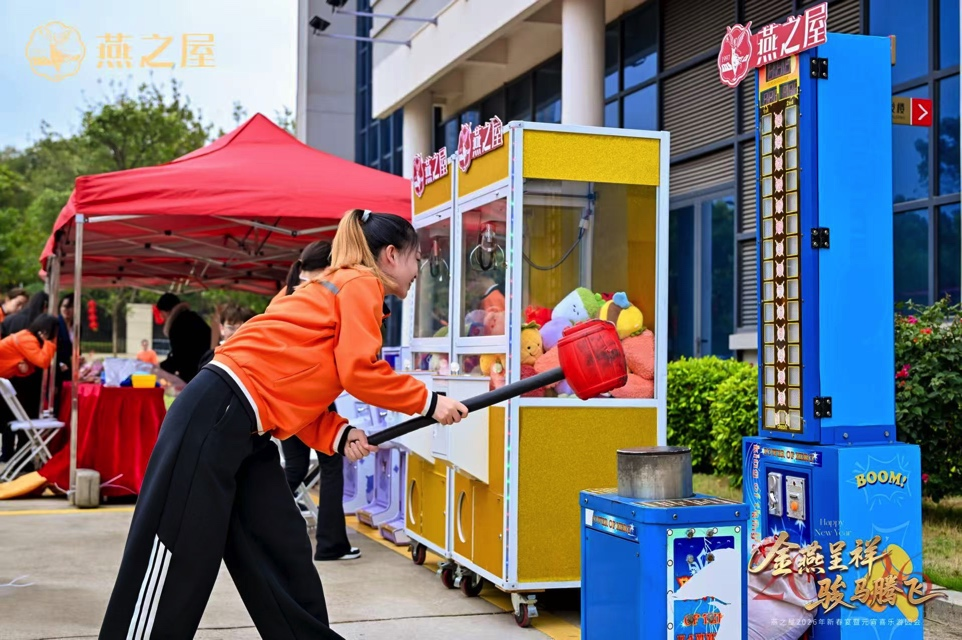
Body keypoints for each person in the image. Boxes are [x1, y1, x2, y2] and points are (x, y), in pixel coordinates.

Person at [98, 209, 469, 639]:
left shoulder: (334, 287)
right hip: (216, 413)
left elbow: (295, 384)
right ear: (390, 255)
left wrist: (337, 433)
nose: (418, 270)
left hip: (245, 424)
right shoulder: (360, 283)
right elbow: (358, 372)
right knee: (178, 551)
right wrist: (429, 402)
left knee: (281, 546)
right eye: (416, 259)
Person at [278, 240, 360, 561]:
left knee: (296, 467)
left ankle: (257, 525)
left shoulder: (285, 295)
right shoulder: (319, 295)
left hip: (285, 394)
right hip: (311, 392)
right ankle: (330, 543)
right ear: (331, 266)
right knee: (331, 463)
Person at [0, 314, 59, 463]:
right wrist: (49, 343)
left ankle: (12, 458)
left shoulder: (26, 337)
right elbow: (43, 361)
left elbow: (27, 367)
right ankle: (14, 459)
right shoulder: (28, 340)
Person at [155, 292, 211, 383]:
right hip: (206, 369)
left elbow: (179, 356)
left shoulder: (177, 325)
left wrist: (159, 368)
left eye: (162, 314)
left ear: (166, 312)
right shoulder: (194, 317)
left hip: (194, 374)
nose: (163, 318)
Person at [197, 304, 256, 370]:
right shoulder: (210, 358)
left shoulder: (256, 358)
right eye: (231, 328)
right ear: (222, 328)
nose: (236, 333)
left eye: (242, 329)